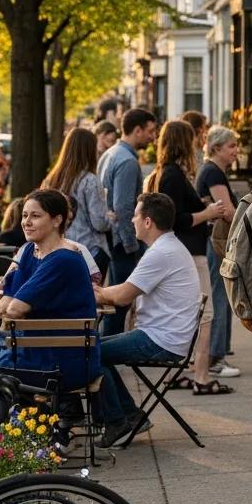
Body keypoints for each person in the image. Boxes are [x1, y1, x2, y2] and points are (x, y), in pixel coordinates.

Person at [92, 192, 203, 448]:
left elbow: (121, 296)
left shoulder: (161, 253)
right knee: (93, 347)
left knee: (88, 350)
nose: (132, 220)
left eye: (135, 215)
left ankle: (118, 420)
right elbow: (124, 291)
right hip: (164, 335)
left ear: (148, 221)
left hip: (161, 340)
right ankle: (130, 415)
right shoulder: (167, 247)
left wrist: (94, 294)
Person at [0, 190, 103, 394]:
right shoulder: (31, 251)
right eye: (24, 215)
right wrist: (11, 304)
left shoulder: (63, 259)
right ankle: (23, 423)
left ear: (57, 220)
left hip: (63, 361)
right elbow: (5, 302)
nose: (26, 222)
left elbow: (13, 309)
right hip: (34, 351)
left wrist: (13, 304)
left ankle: (21, 424)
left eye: (35, 216)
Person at [143, 120, 228, 394]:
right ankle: (201, 377)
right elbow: (175, 219)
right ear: (183, 141)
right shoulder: (172, 175)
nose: (196, 143)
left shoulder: (164, 173)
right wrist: (207, 213)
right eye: (192, 138)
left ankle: (173, 375)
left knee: (181, 314)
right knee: (206, 313)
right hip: (189, 252)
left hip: (183, 251)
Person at [99, 108, 157, 336]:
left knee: (113, 301)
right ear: (137, 130)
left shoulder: (110, 154)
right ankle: (109, 354)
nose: (153, 137)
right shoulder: (127, 162)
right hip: (122, 243)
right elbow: (123, 207)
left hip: (112, 239)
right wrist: (132, 245)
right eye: (150, 131)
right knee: (119, 303)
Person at [42, 127, 113, 280]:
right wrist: (111, 218)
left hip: (57, 250)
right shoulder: (90, 181)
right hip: (90, 251)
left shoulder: (50, 180)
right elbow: (99, 223)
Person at [197, 125, 240, 377]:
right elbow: (228, 211)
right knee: (220, 297)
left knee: (221, 296)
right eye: (231, 146)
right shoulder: (213, 173)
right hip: (216, 243)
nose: (236, 151)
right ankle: (215, 357)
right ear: (216, 149)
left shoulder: (213, 171)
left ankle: (218, 352)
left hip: (214, 242)